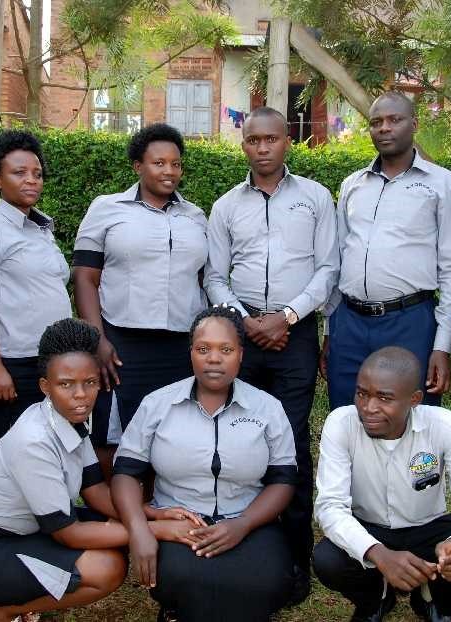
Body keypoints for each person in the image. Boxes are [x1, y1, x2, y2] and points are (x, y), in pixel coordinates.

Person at [0, 318, 202, 621]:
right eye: (66, 384)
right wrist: (153, 529)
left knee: (114, 538)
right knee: (107, 568)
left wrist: (151, 513)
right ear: (45, 386)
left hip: (27, 531)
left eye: (90, 382)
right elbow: (70, 535)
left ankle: (19, 592)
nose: (80, 395)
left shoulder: (70, 417)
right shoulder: (33, 440)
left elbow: (95, 490)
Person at [203, 106, 339, 601]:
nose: (262, 148)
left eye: (271, 139)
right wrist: (246, 322)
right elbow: (214, 275)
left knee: (290, 442)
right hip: (241, 335)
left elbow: (328, 268)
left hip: (294, 334)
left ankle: (297, 560)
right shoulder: (226, 206)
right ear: (243, 144)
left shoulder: (315, 198)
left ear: (287, 141)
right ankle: (248, 550)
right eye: (253, 140)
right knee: (241, 437)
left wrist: (287, 317)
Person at [111, 305, 299, 622]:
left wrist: (242, 524)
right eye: (203, 349)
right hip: (180, 525)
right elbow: (125, 473)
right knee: (181, 578)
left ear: (241, 354)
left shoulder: (267, 408)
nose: (214, 358)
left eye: (226, 349)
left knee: (270, 580)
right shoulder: (157, 404)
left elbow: (283, 480)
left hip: (249, 520)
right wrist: (139, 529)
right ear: (191, 353)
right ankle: (178, 609)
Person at [312, 347, 451, 622]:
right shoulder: (341, 424)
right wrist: (377, 553)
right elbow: (329, 507)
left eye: (384, 398)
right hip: (369, 528)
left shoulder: (444, 425)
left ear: (414, 399)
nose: (368, 407)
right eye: (362, 393)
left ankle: (436, 601)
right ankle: (375, 599)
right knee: (327, 560)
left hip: (429, 530)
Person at [72, 123, 208, 467]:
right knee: (112, 433)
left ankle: (157, 499)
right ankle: (112, 500)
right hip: (120, 343)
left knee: (171, 432)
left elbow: (204, 280)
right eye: (158, 163)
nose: (169, 171)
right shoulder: (106, 209)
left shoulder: (196, 216)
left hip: (180, 345)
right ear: (138, 166)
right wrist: (97, 339)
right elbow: (85, 278)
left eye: (176, 164)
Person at [321, 91, 451, 410]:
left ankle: (419, 454)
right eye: (376, 122)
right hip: (350, 323)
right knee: (347, 414)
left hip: (410, 322)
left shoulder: (444, 185)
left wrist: (442, 346)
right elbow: (337, 261)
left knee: (414, 419)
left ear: (414, 124)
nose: (384, 128)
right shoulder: (352, 185)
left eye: (394, 120)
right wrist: (330, 331)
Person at [0, 130, 72, 474]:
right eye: (19, 173)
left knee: (40, 456)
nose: (31, 180)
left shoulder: (41, 228)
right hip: (7, 364)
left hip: (44, 362)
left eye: (37, 173)